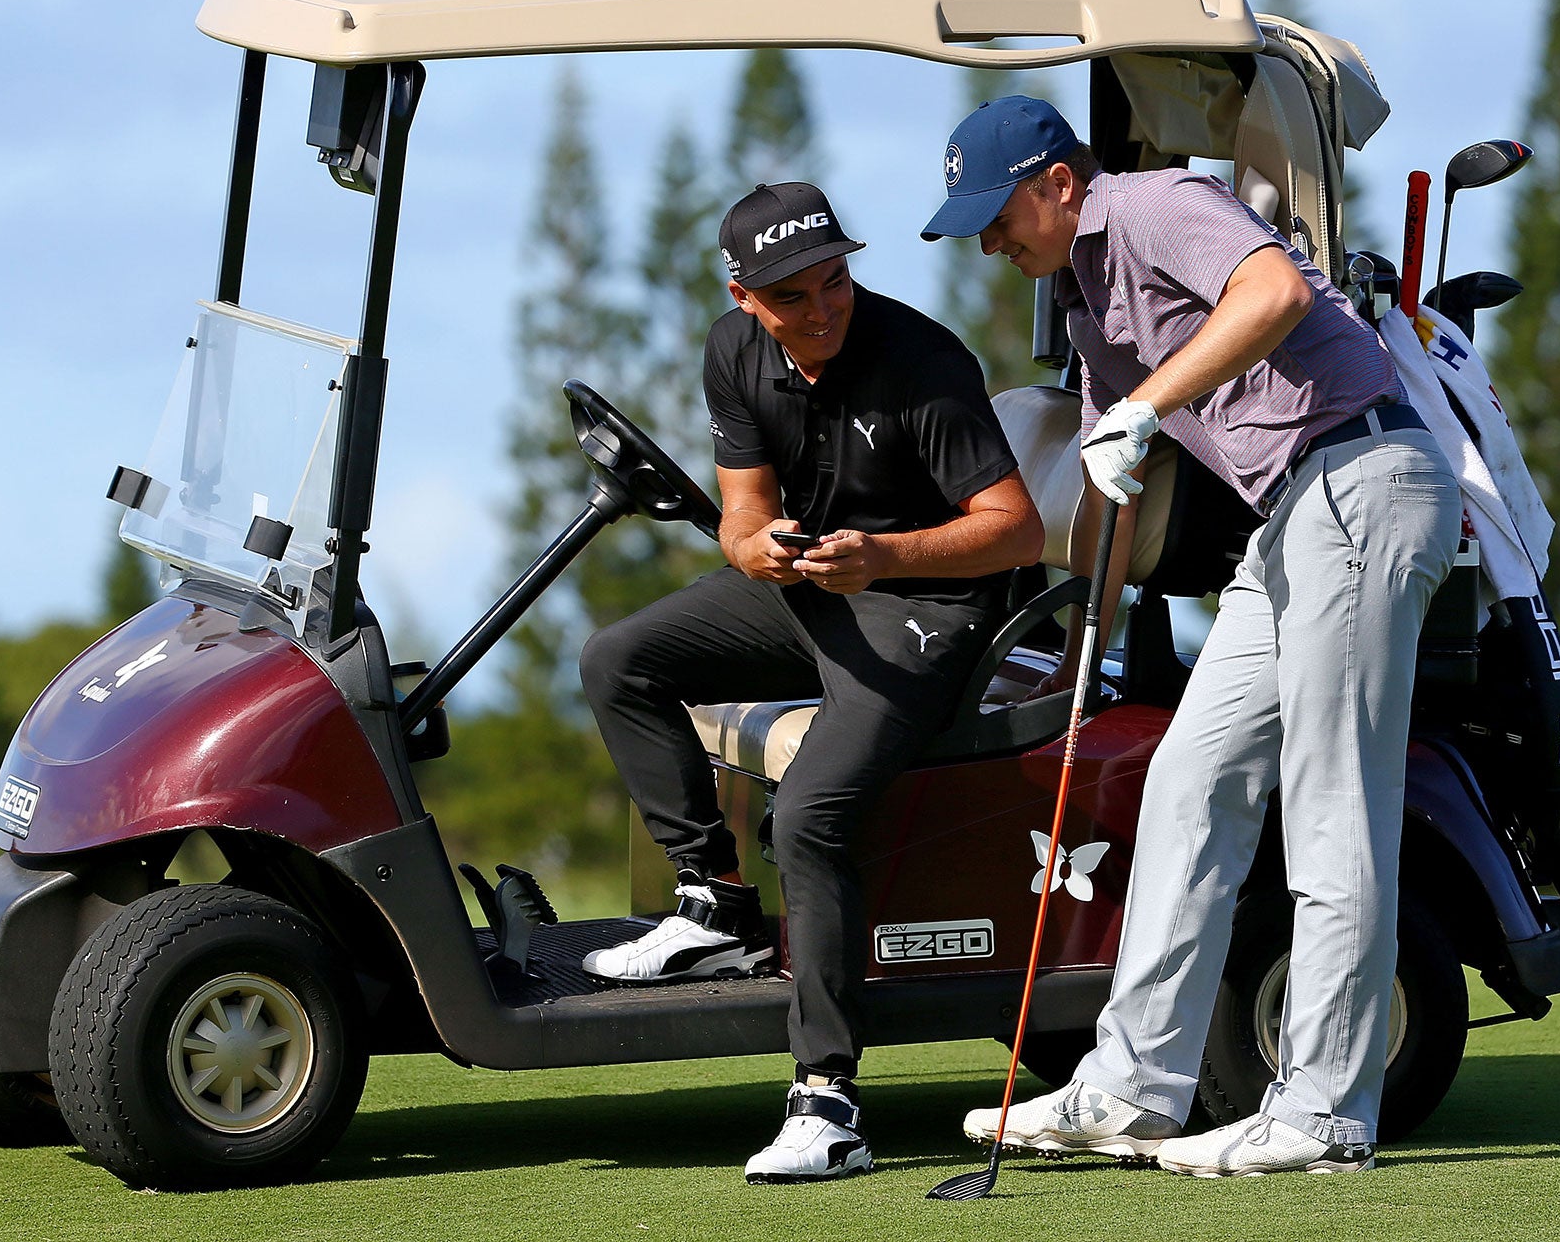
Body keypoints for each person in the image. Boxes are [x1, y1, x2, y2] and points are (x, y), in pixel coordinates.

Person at [921, 96, 1460, 1177]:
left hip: (1361, 480)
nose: (987, 239)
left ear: (1056, 183)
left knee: (1329, 806)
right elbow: (1104, 494)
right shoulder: (1082, 304)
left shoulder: (1153, 204)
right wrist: (1071, 636)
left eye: (996, 213)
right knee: (1188, 779)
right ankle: (1130, 1088)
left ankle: (1322, 1110)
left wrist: (1143, 406)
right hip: (1287, 522)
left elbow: (1271, 291)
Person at [578, 180, 1043, 1183]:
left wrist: (878, 557)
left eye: (833, 279)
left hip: (934, 602)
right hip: (818, 585)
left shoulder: (922, 359)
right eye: (792, 295)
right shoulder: (730, 349)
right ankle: (714, 911)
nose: (822, 307)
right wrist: (758, 550)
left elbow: (1015, 527)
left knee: (811, 815)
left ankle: (827, 1106)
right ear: (745, 298)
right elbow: (740, 516)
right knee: (618, 660)